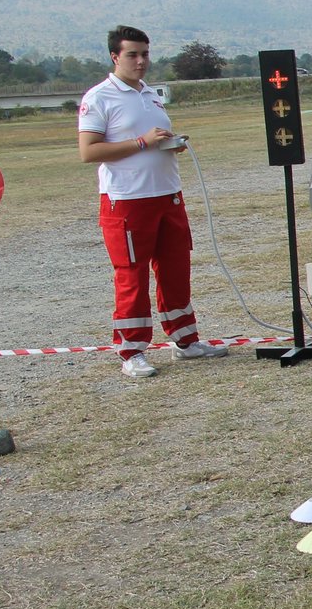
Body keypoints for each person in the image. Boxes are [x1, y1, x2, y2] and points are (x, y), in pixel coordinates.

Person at [77, 26, 227, 378]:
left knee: (176, 270)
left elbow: (151, 138)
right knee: (131, 276)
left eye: (145, 54)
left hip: (168, 196)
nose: (141, 61)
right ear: (115, 57)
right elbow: (89, 151)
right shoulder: (99, 97)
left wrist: (169, 143)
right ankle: (132, 351)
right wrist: (142, 143)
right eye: (132, 55)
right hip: (127, 201)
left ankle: (186, 341)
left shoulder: (151, 95)